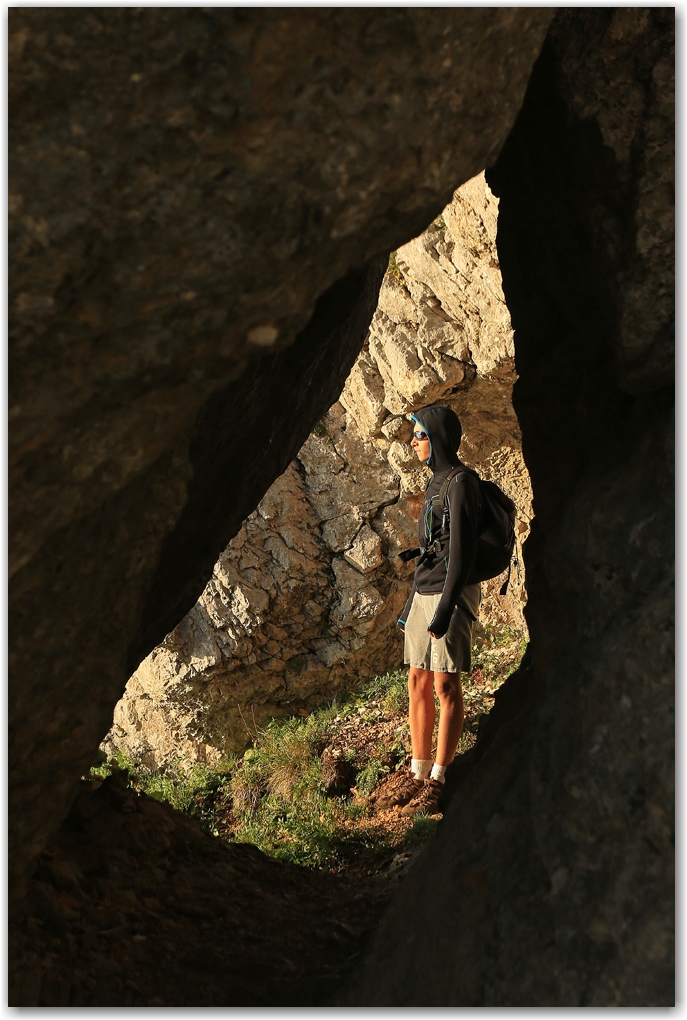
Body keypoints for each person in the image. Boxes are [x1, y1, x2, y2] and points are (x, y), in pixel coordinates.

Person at [378, 404, 481, 816]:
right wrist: (413, 604)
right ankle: (417, 772)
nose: (413, 441)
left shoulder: (461, 482)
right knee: (417, 679)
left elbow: (463, 551)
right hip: (425, 591)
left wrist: (446, 606)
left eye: (419, 434)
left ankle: (439, 777)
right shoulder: (436, 481)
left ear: (436, 438)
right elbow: (432, 552)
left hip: (450, 594)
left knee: (445, 684)